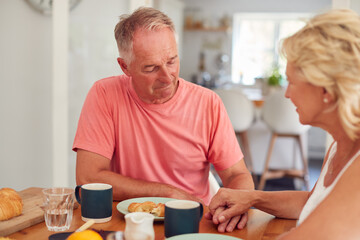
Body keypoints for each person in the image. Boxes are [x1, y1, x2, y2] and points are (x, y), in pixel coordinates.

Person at [72, 7, 254, 232]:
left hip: (192, 221)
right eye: (151, 68)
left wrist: (240, 202)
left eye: (171, 61)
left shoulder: (208, 103)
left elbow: (237, 174)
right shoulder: (104, 94)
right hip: (127, 224)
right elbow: (89, 178)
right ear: (125, 67)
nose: (167, 77)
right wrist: (165, 192)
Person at [206, 9, 360, 239]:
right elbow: (313, 203)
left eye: (292, 82)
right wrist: (252, 197)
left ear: (326, 89)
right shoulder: (339, 147)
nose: (286, 94)